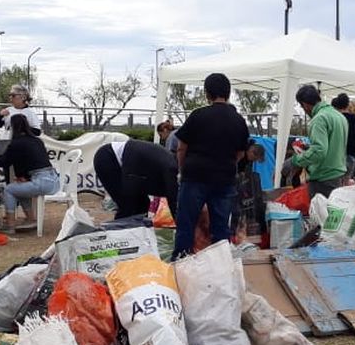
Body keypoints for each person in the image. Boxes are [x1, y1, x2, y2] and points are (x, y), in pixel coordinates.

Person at [172, 73, 250, 258]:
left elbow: (181, 148)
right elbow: (240, 152)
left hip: (194, 177)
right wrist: (226, 162)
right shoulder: (238, 120)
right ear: (228, 93)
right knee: (221, 228)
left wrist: (182, 171)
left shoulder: (198, 115)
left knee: (186, 224)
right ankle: (220, 265)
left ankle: (181, 264)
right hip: (224, 179)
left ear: (207, 93)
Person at [0, 114, 60, 232]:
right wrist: (24, 177)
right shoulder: (37, 141)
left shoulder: (16, 143)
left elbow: (5, 161)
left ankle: (10, 225)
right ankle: (30, 219)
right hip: (53, 179)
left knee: (9, 189)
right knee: (18, 189)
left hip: (41, 181)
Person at [93, 138, 180, 220]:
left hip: (128, 161)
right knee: (128, 205)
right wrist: (180, 223)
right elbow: (172, 199)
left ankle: (136, 231)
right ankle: (119, 233)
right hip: (108, 158)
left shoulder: (170, 162)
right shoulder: (170, 168)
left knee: (143, 205)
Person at [291, 84, 348, 200]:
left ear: (305, 104)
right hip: (338, 175)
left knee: (321, 216)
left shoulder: (318, 119)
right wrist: (309, 147)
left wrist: (295, 161)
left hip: (323, 179)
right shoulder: (339, 116)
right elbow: (333, 145)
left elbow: (319, 151)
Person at [332, 93, 355, 181]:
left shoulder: (334, 119)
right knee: (347, 182)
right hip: (351, 154)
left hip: (335, 156)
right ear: (348, 104)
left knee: (336, 184)